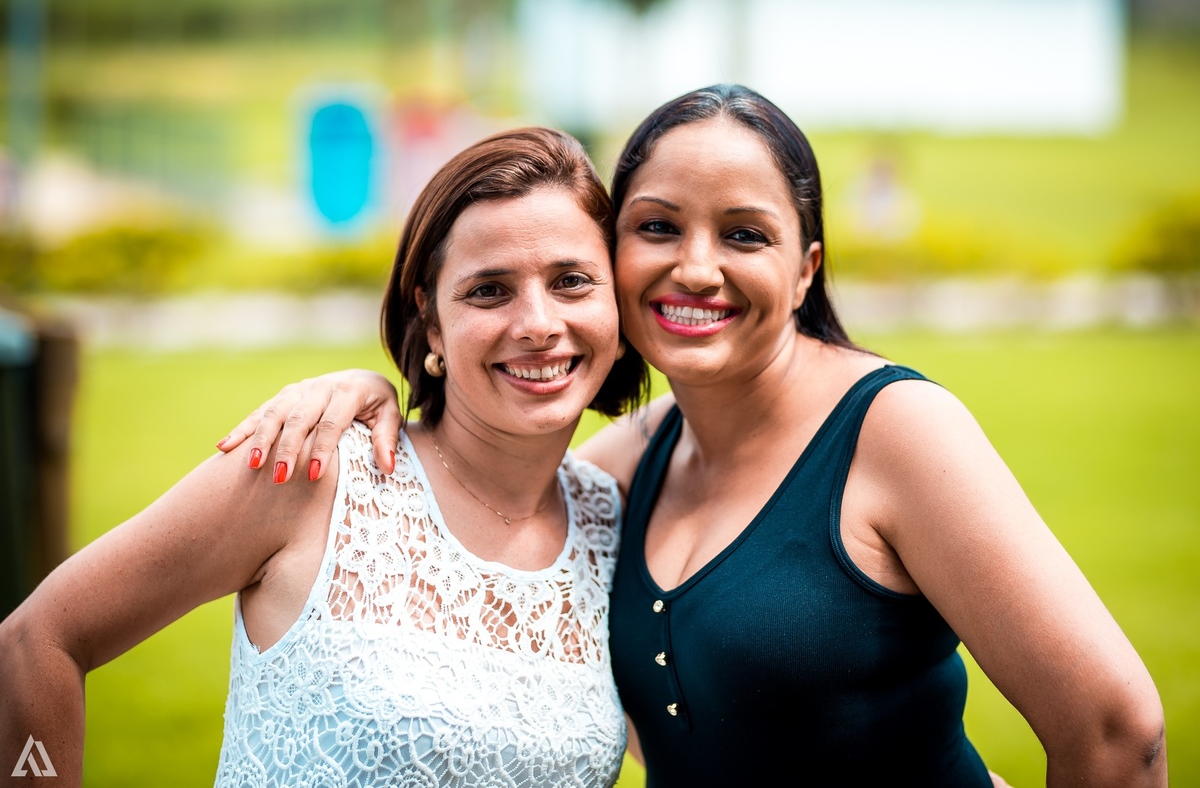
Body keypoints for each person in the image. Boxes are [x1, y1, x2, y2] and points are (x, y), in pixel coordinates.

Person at [216, 85, 1167, 787]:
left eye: (745, 234)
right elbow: (473, 494)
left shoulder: (897, 432)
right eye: (659, 227)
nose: (697, 268)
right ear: (613, 254)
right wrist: (366, 392)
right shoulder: (621, 471)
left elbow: (1117, 731)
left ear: (806, 268)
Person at [0, 127, 650, 787]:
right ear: (430, 320)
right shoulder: (312, 468)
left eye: (572, 281)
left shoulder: (616, 522)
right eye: (489, 290)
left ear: (618, 305)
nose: (538, 323)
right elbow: (36, 639)